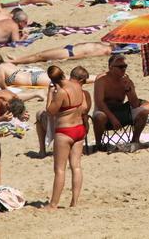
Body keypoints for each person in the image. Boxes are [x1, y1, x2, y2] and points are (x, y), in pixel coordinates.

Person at [45, 65, 90, 209]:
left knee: (60, 170)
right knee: (76, 166)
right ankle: (74, 202)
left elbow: (50, 111)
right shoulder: (79, 87)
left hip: (65, 130)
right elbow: (84, 108)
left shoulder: (61, 92)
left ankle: (53, 204)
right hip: (79, 129)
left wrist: (49, 94)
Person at [92, 54, 149, 150]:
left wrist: (128, 89)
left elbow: (134, 104)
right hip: (105, 112)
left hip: (120, 110)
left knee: (143, 109)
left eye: (125, 66)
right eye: (120, 67)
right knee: (99, 116)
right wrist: (113, 118)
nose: (123, 69)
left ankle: (135, 140)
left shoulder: (126, 80)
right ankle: (98, 144)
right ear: (110, 67)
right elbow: (99, 102)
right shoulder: (102, 80)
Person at [10, 41, 112, 66]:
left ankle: (15, 62)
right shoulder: (106, 43)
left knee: (40, 56)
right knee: (40, 54)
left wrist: (68, 59)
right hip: (70, 47)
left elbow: (85, 55)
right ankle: (18, 59)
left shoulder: (106, 50)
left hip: (69, 53)